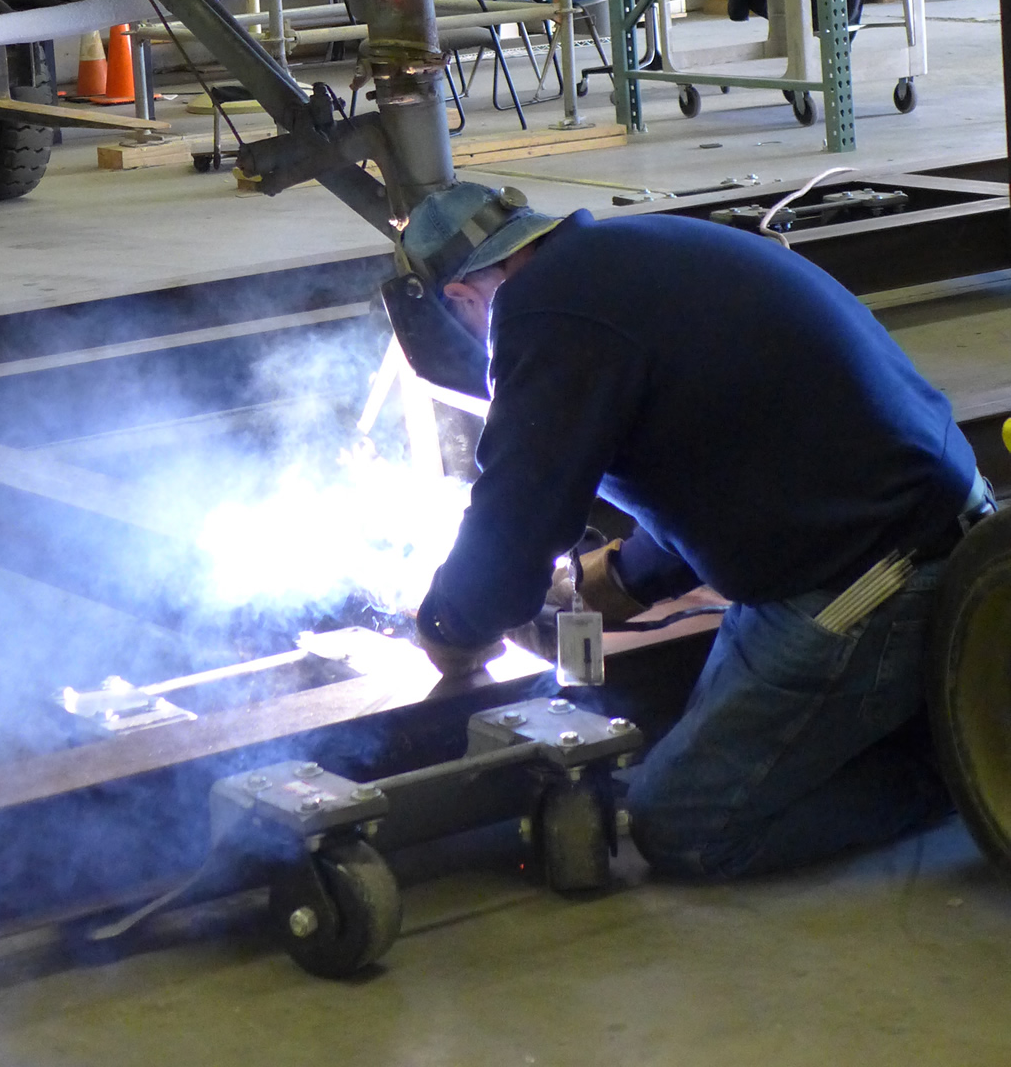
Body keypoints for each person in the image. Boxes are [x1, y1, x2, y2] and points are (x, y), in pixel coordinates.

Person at [404, 181, 994, 879]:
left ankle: (956, 771)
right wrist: (624, 579)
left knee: (684, 823)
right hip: (900, 524)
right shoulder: (624, 259)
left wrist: (451, 624)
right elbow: (730, 454)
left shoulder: (541, 313)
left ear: (460, 298)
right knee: (702, 745)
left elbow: (518, 513)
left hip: (874, 575)